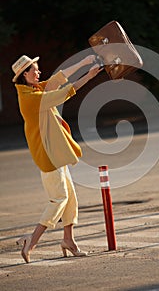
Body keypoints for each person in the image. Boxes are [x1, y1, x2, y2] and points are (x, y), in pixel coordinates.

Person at [12, 54, 102, 263]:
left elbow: (57, 79)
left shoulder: (33, 89)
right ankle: (31, 241)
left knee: (70, 198)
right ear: (25, 74)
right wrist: (88, 76)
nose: (39, 72)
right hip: (48, 155)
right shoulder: (31, 98)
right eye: (35, 69)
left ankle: (68, 240)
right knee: (59, 199)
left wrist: (84, 62)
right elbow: (65, 92)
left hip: (55, 153)